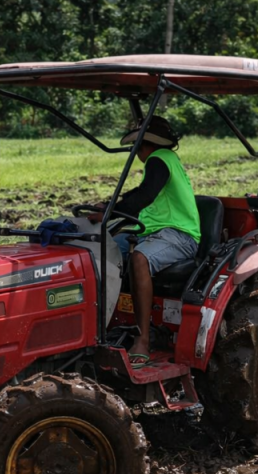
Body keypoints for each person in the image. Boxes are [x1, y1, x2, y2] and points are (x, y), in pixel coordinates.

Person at [89, 116, 200, 367]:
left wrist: (109, 212)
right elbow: (141, 195)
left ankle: (143, 339)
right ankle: (101, 325)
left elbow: (145, 195)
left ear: (145, 144)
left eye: (136, 145)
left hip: (179, 235)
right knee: (98, 250)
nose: (135, 150)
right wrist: (110, 207)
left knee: (139, 258)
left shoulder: (160, 159)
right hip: (151, 232)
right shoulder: (161, 161)